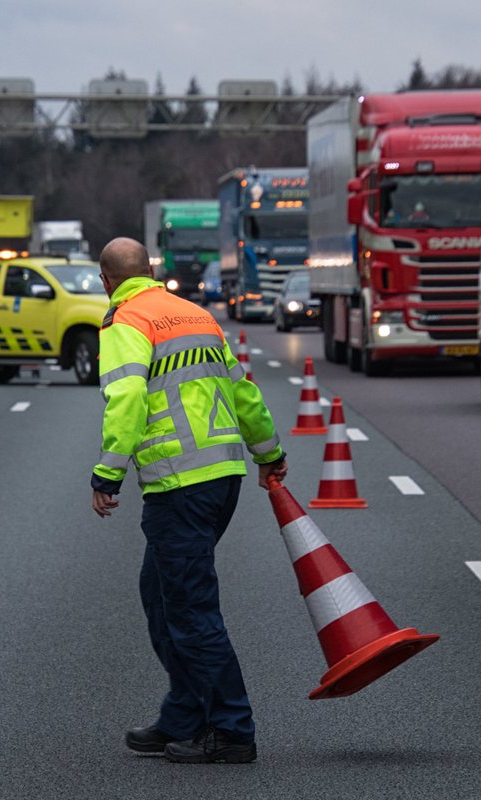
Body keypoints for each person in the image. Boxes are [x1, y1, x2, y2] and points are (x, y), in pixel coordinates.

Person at [91, 237, 288, 764]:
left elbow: (126, 397)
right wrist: (267, 450)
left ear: (107, 279)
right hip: (222, 477)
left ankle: (231, 730)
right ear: (150, 269)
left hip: (180, 484)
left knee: (190, 609)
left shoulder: (125, 322)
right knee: (159, 593)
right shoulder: (195, 315)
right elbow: (240, 388)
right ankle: (183, 714)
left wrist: (107, 473)